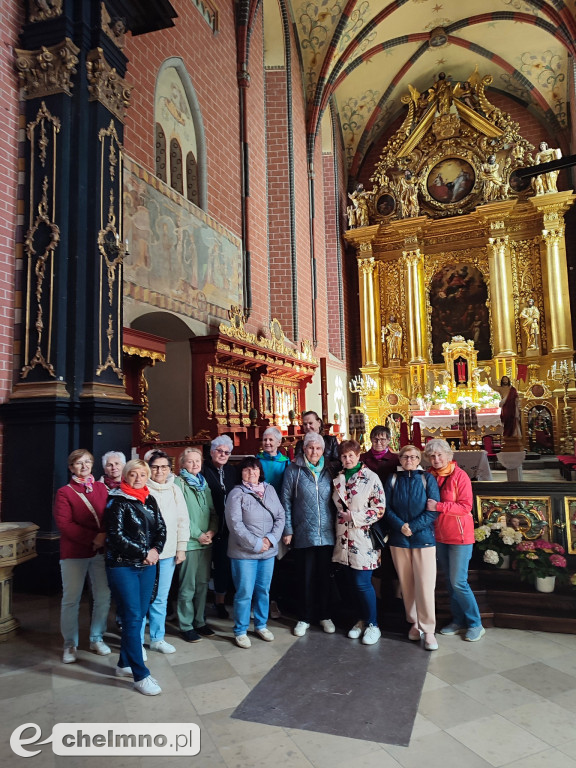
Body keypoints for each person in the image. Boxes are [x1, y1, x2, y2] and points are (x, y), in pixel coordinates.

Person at [104, 459, 166, 695]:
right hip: (123, 566)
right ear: (125, 476)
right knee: (131, 617)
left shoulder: (150, 499)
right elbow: (116, 536)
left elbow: (161, 528)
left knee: (138, 616)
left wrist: (156, 550)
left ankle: (124, 663)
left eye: (142, 474)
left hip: (148, 565)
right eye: (133, 474)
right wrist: (143, 553)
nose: (138, 478)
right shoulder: (116, 501)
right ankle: (141, 675)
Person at [53, 449, 111, 664]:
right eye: (79, 463)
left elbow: (108, 515)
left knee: (103, 596)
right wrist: (94, 538)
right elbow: (65, 525)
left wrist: (103, 536)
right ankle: (70, 643)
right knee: (72, 599)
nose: (84, 466)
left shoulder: (101, 488)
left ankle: (96, 637)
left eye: (87, 462)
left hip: (99, 551)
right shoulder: (65, 492)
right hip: (75, 553)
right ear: (71, 467)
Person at [423, 439, 484, 642]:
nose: (436, 459)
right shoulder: (429, 475)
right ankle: (458, 621)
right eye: (432, 456)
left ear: (449, 456)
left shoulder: (460, 475)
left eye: (440, 455)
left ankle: (475, 623)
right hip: (439, 536)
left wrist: (439, 507)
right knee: (450, 583)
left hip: (460, 536)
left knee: (459, 581)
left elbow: (465, 507)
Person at [225, 456, 285, 648]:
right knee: (244, 592)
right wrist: (256, 543)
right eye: (247, 469)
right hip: (244, 554)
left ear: (260, 472)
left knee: (263, 590)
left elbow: (280, 516)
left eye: (255, 469)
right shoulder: (236, 494)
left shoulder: (270, 490)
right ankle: (241, 630)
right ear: (241, 473)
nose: (252, 472)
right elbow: (235, 524)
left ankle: (261, 625)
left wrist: (271, 539)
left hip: (267, 553)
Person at [385, 445, 441, 651]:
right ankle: (414, 622)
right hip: (399, 539)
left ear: (419, 459)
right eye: (405, 456)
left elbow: (433, 509)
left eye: (414, 457)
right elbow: (385, 507)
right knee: (406, 584)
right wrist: (401, 526)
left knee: (425, 585)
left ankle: (429, 630)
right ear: (399, 459)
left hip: (423, 538)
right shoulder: (392, 479)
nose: (409, 460)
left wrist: (413, 527)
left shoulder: (427, 479)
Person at [281, 432, 336, 637]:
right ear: (304, 449)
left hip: (327, 533)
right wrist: (288, 529)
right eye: (310, 447)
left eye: (318, 448)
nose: (314, 451)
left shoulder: (330, 470)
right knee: (305, 578)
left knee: (325, 577)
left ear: (323, 450)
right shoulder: (293, 470)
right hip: (303, 532)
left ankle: (325, 615)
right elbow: (285, 501)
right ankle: (304, 618)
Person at [332, 439, 386, 646]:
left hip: (363, 538)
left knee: (362, 583)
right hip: (343, 538)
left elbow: (379, 509)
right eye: (344, 456)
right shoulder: (338, 478)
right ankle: (361, 620)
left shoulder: (370, 477)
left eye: (351, 456)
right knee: (351, 585)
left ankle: (373, 624)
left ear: (358, 456)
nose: (347, 459)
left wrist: (354, 517)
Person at [143, 450, 190, 654]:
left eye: (164, 467)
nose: (159, 471)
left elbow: (183, 520)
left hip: (169, 552)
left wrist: (181, 548)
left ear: (170, 469)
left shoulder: (174, 489)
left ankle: (157, 638)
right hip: (146, 554)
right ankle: (137, 642)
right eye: (155, 467)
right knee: (143, 598)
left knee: (161, 598)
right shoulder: (143, 488)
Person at [175, 447, 219, 642]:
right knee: (188, 586)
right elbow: (179, 514)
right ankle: (186, 625)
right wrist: (197, 534)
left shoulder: (203, 482)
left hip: (206, 542)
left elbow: (212, 511)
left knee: (202, 584)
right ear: (182, 464)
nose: (194, 464)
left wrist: (212, 531)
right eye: (190, 461)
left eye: (197, 461)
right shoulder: (178, 483)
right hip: (190, 543)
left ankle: (199, 621)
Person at [257, 426, 290, 619]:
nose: (267, 443)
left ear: (279, 442)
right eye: (265, 439)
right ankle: (258, 602)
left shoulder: (285, 463)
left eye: (271, 440)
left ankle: (274, 601)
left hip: (277, 518)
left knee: (276, 563)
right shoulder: (255, 462)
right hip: (257, 518)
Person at [203, 435, 237, 619]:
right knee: (204, 567)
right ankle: (199, 604)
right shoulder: (203, 470)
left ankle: (220, 602)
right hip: (207, 525)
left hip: (227, 527)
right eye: (219, 451)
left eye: (227, 452)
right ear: (211, 452)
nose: (223, 454)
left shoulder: (232, 471)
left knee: (223, 566)